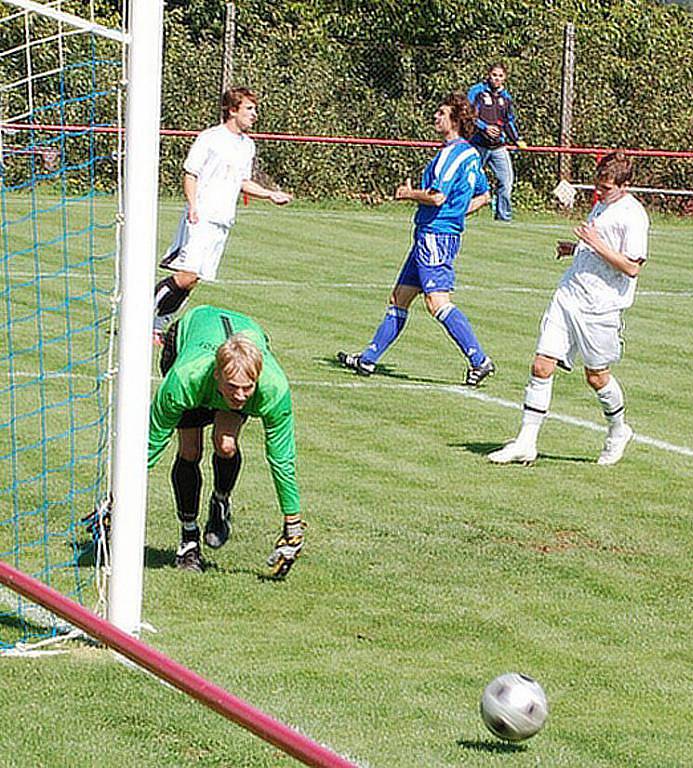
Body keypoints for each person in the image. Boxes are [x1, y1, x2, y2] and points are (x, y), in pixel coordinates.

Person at [487, 151, 649, 466]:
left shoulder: (634, 215)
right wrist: (576, 248)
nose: (598, 193)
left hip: (600, 307)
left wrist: (596, 244)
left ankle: (618, 431)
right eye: (597, 185)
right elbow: (598, 245)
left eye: (606, 188)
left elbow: (631, 267)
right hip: (569, 295)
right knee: (541, 365)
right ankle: (526, 441)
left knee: (597, 377)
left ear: (625, 185)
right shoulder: (602, 204)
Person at [337, 92, 495, 386]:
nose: (435, 117)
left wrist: (408, 194)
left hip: (435, 236)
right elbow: (484, 196)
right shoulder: (471, 154)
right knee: (400, 298)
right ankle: (367, 360)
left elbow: (437, 197)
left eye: (441, 113)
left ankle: (479, 360)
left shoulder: (452, 154)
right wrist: (457, 215)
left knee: (437, 302)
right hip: (432, 233)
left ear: (456, 120)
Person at [149, 304, 305, 576]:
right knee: (190, 451)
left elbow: (282, 459)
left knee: (226, 444)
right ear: (217, 375)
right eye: (233, 388)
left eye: (248, 388)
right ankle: (189, 541)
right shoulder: (185, 379)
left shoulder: (273, 389)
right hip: (188, 336)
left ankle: (220, 501)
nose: (242, 397)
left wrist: (292, 524)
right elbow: (152, 442)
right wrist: (117, 496)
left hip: (245, 330)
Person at [152, 87, 292, 343]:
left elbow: (242, 182)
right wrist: (193, 205)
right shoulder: (210, 138)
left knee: (194, 281)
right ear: (232, 110)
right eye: (249, 109)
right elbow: (190, 172)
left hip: (222, 220)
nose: (254, 114)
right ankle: (139, 315)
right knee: (186, 276)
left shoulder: (247, 145)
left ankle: (156, 326)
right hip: (201, 215)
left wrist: (270, 194)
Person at [467, 63, 526, 222]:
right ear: (488, 75)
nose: (497, 78)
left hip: (498, 146)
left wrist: (517, 139)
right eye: (494, 75)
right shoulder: (476, 92)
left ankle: (503, 218)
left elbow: (509, 121)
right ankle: (459, 212)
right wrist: (484, 128)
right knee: (468, 181)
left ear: (504, 78)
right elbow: (468, 115)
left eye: (500, 76)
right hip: (477, 145)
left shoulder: (506, 97)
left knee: (506, 183)